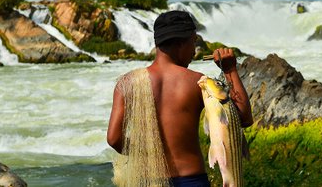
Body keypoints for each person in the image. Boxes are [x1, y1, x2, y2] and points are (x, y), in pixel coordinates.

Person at [107, 10, 253, 187]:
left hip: (148, 182)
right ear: (181, 43)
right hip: (190, 180)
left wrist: (148, 154)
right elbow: (243, 118)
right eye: (193, 42)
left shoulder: (126, 83)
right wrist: (230, 70)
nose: (194, 51)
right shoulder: (198, 82)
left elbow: (114, 139)